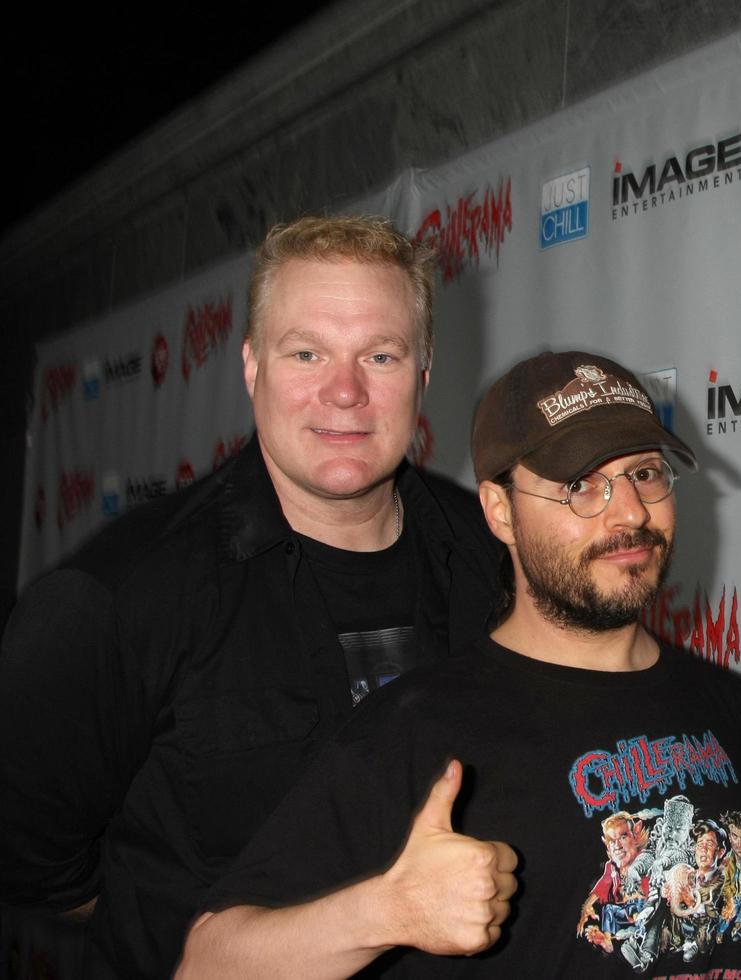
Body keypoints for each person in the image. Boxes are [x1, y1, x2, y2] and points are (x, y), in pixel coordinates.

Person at [0, 216, 505, 978]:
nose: (345, 391)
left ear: (424, 373)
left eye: (380, 354)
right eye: (306, 352)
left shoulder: (497, 558)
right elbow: (34, 863)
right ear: (250, 368)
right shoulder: (116, 598)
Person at [177, 350, 741, 978]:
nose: (630, 513)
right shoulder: (417, 729)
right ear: (500, 512)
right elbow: (207, 964)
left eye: (645, 473)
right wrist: (387, 911)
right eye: (578, 485)